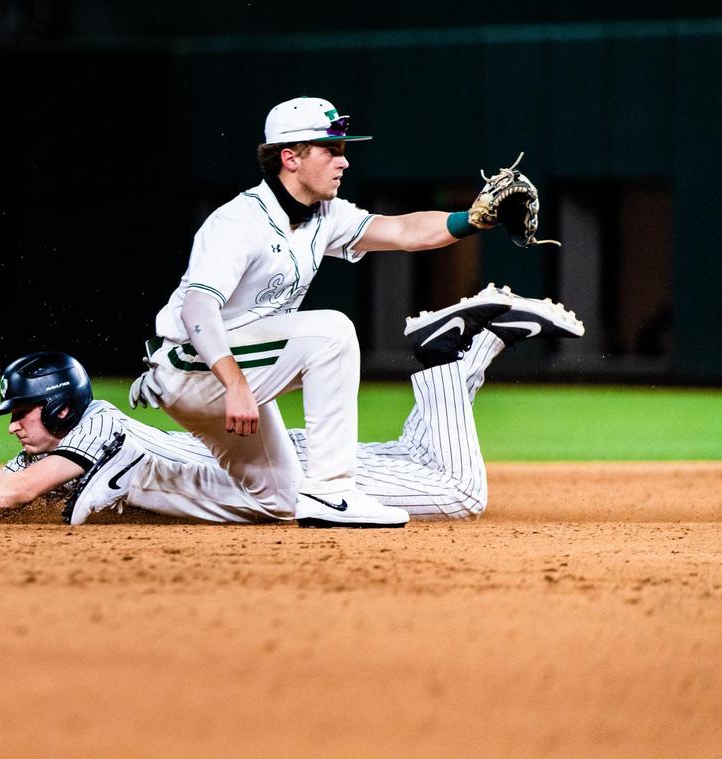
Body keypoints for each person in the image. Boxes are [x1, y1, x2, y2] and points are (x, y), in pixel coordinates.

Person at [0, 285, 583, 526]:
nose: (15, 423)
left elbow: (15, 487)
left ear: (58, 407)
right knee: (408, 463)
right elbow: (0, 478)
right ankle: (456, 360)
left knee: (456, 490)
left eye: (21, 411)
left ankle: (453, 362)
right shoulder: (85, 432)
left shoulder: (87, 431)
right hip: (251, 465)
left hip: (261, 479)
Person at [135, 95, 545, 529]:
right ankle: (333, 491)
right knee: (331, 333)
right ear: (290, 158)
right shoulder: (238, 222)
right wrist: (233, 382)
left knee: (281, 498)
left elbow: (402, 230)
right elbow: (197, 308)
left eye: (343, 150)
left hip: (233, 370)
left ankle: (132, 479)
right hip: (196, 367)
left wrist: (473, 220)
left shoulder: (324, 215)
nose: (343, 161)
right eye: (331, 150)